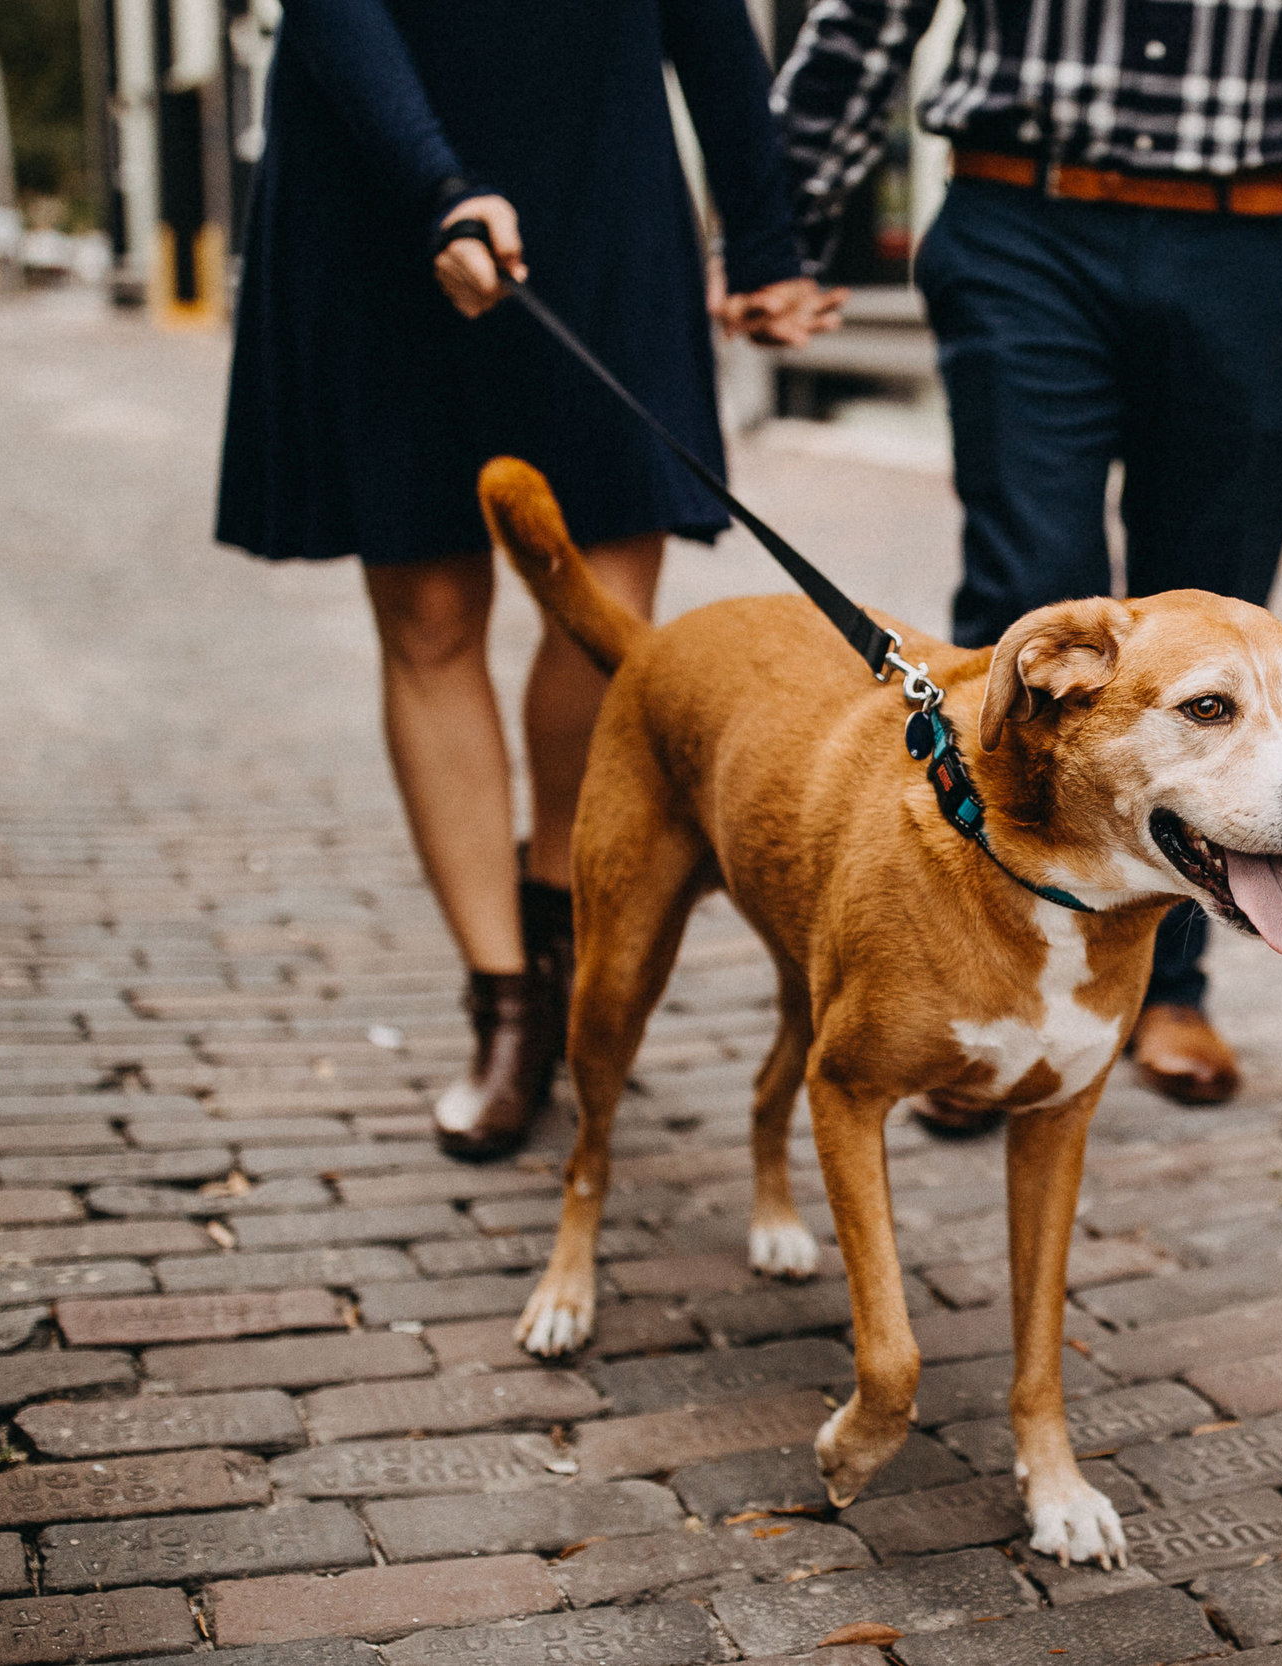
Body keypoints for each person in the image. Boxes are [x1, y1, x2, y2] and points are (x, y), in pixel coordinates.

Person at [773, 0, 1282, 1114]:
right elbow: (864, 19)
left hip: (1238, 242)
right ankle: (980, 978)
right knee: (1030, 605)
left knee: (1218, 647)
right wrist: (782, 231)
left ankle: (1164, 978)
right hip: (1019, 223)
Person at [216, 0, 843, 1159]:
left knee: (602, 613)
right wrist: (432, 187)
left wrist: (763, 240)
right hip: (376, 184)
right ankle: (504, 998)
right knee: (432, 617)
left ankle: (559, 927)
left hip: (601, 186)